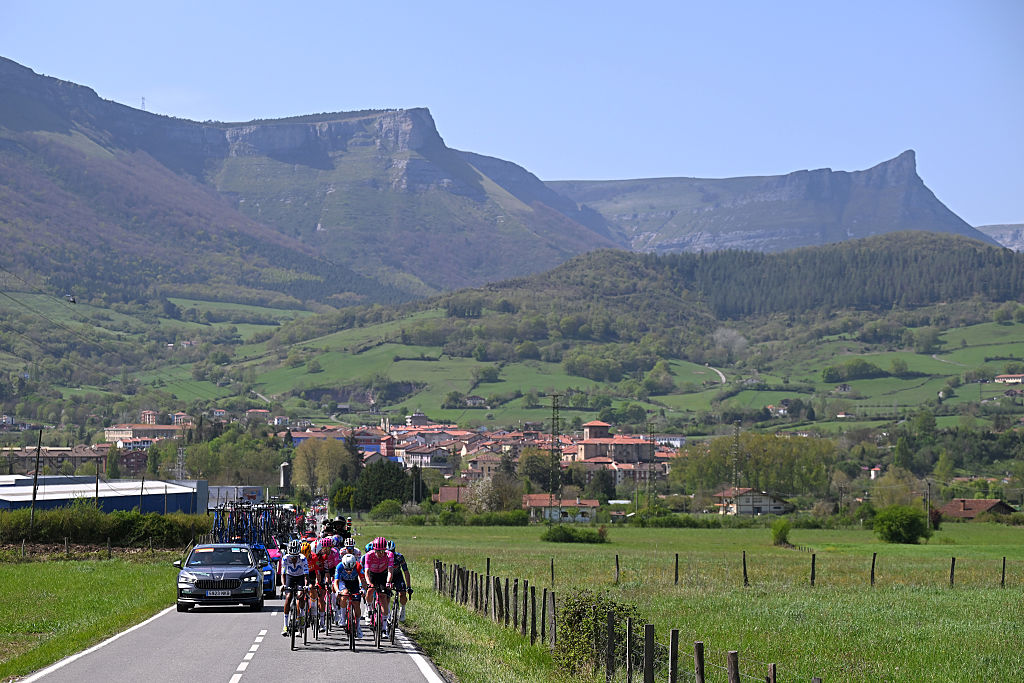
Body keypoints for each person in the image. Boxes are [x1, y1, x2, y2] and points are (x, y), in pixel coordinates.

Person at [362, 536, 394, 638]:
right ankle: (369, 608)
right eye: (378, 551)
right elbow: (366, 572)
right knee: (370, 590)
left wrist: (388, 582)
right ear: (374, 549)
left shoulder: (389, 555)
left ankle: (384, 628)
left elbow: (390, 571)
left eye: (382, 551)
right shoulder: (369, 555)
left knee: (383, 597)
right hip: (372, 574)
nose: (380, 553)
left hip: (383, 574)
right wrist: (369, 583)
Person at [280, 539, 310, 636]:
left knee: (300, 595)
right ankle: (285, 625)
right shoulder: (285, 558)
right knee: (288, 597)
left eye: (295, 556)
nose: (293, 558)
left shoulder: (303, 559)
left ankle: (302, 615)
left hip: (300, 577)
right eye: (292, 556)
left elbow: (306, 575)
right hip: (290, 577)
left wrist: (305, 586)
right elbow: (283, 574)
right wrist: (283, 585)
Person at [333, 553, 365, 638]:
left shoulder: (358, 566)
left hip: (354, 583)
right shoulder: (339, 566)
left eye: (351, 569)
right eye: (347, 569)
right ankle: (343, 619)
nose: (349, 571)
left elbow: (362, 579)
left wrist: (363, 589)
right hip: (343, 582)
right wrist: (337, 591)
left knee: (356, 604)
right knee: (344, 594)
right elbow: (336, 581)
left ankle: (358, 626)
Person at [387, 540, 413, 623]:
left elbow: (406, 572)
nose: (390, 553)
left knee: (402, 593)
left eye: (392, 551)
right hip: (386, 575)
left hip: (398, 576)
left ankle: (403, 609)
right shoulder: (383, 557)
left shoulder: (399, 557)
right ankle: (387, 613)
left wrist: (408, 587)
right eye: (388, 551)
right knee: (385, 594)